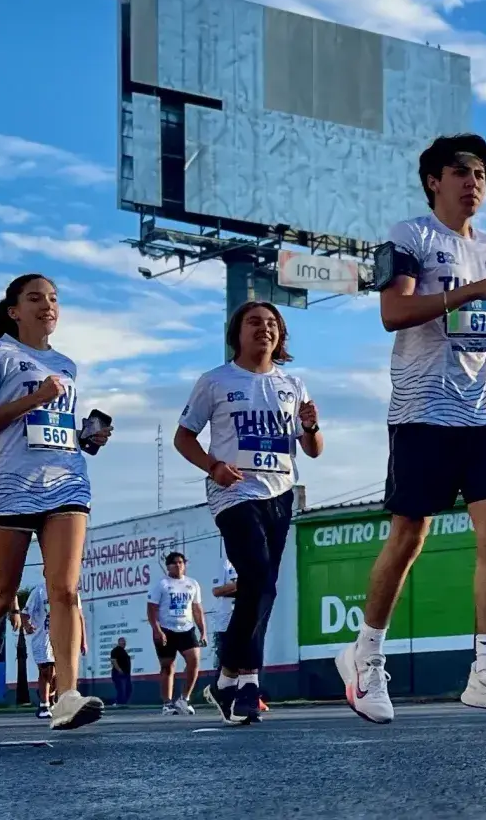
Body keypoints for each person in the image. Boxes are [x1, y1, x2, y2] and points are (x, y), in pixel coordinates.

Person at [335, 133, 486, 724]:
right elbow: (393, 313)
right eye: (461, 172)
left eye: (481, 174)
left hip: (485, 411)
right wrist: (474, 292)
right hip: (423, 409)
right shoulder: (409, 236)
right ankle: (365, 654)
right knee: (409, 536)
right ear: (433, 181)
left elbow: (474, 320)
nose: (473, 182)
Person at [0, 273, 110, 737]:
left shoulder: (66, 364)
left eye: (54, 298)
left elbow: (52, 426)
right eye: (35, 298)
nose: (48, 305)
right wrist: (37, 397)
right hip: (8, 487)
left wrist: (87, 437)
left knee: (64, 588)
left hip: (66, 482)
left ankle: (66, 697)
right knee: (0, 597)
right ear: (15, 310)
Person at [174, 300, 323, 725]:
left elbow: (312, 450)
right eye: (255, 322)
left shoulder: (293, 383)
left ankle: (224, 679)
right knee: (257, 577)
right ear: (236, 333)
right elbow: (184, 437)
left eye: (272, 323)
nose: (265, 329)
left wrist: (310, 427)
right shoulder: (216, 382)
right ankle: (249, 684)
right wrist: (213, 466)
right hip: (234, 492)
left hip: (280, 492)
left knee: (263, 588)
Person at [148, 551, 207, 714]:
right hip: (166, 630)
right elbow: (151, 610)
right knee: (168, 667)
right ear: (168, 566)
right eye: (174, 563)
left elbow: (197, 609)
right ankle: (167, 703)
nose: (178, 565)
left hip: (186, 629)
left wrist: (203, 631)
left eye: (181, 562)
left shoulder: (192, 584)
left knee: (194, 660)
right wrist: (157, 630)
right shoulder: (162, 585)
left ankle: (184, 699)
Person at [20, 586, 83, 720]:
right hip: (43, 636)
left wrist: (83, 640)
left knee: (57, 674)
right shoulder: (39, 591)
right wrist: (27, 625)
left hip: (62, 636)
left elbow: (78, 615)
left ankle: (51, 699)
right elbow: (25, 613)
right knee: (47, 670)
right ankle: (44, 705)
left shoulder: (70, 590)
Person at [110, 637, 133, 707]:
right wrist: (119, 670)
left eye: (124, 642)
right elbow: (113, 661)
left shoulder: (123, 651)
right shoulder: (115, 650)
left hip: (125, 674)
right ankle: (119, 703)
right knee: (121, 689)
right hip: (118, 674)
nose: (124, 643)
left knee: (128, 688)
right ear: (119, 642)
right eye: (122, 642)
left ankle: (123, 702)